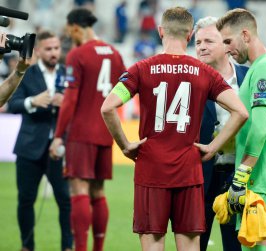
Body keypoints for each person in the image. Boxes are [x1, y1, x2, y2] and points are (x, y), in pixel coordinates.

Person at [101, 6, 248, 251]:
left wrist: (125, 145)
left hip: (151, 170)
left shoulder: (141, 69)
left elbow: (107, 108)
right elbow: (241, 112)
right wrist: (212, 148)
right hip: (188, 171)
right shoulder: (205, 72)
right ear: (190, 35)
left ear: (160, 31)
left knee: (153, 244)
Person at [49, 8, 125, 251]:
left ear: (74, 27)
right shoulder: (114, 53)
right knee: (98, 191)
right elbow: (124, 91)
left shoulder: (77, 54)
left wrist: (58, 136)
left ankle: (80, 248)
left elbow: (70, 100)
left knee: (79, 189)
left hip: (81, 132)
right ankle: (98, 248)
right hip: (106, 131)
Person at [216, 8, 266, 251]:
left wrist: (241, 177)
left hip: (258, 183)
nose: (226, 48)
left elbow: (259, 129)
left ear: (245, 35)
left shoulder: (262, 70)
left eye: (228, 41)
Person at [7, 31, 72, 251]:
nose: (54, 53)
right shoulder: (26, 73)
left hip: (59, 147)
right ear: (38, 51)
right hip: (28, 148)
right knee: (26, 200)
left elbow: (80, 106)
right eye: (48, 49)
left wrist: (67, 103)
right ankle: (27, 246)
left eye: (56, 48)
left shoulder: (68, 74)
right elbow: (12, 104)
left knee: (66, 201)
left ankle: (68, 246)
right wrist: (32, 102)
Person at [194, 16, 247, 251]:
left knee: (235, 246)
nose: (201, 46)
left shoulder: (249, 77)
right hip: (200, 175)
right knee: (195, 244)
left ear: (226, 44)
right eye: (197, 42)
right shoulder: (189, 79)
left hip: (238, 175)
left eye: (208, 41)